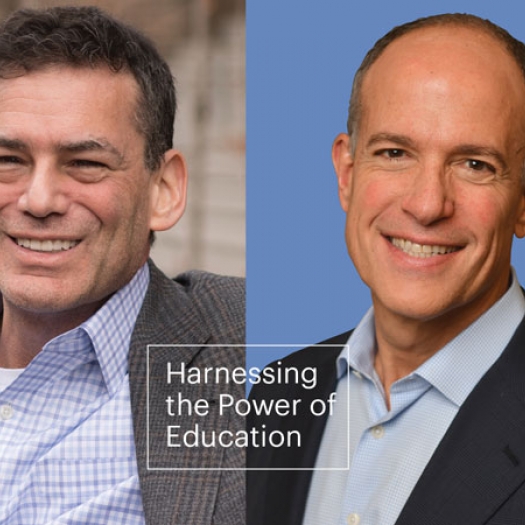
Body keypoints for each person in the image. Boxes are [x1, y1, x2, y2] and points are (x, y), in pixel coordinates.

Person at [248, 13, 525, 525]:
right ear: (347, 175)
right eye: (395, 153)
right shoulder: (279, 391)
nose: (427, 205)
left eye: (474, 165)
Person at [0, 5, 244, 525]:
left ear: (165, 189)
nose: (38, 199)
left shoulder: (256, 348)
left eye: (86, 164)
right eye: (7, 160)